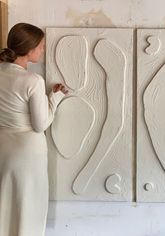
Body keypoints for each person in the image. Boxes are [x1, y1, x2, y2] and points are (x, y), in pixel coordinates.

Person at [0, 23, 68, 236]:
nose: (43, 50)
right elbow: (41, 124)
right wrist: (55, 98)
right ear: (29, 49)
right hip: (28, 153)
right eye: (41, 46)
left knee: (5, 204)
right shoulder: (32, 80)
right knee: (29, 206)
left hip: (3, 149)